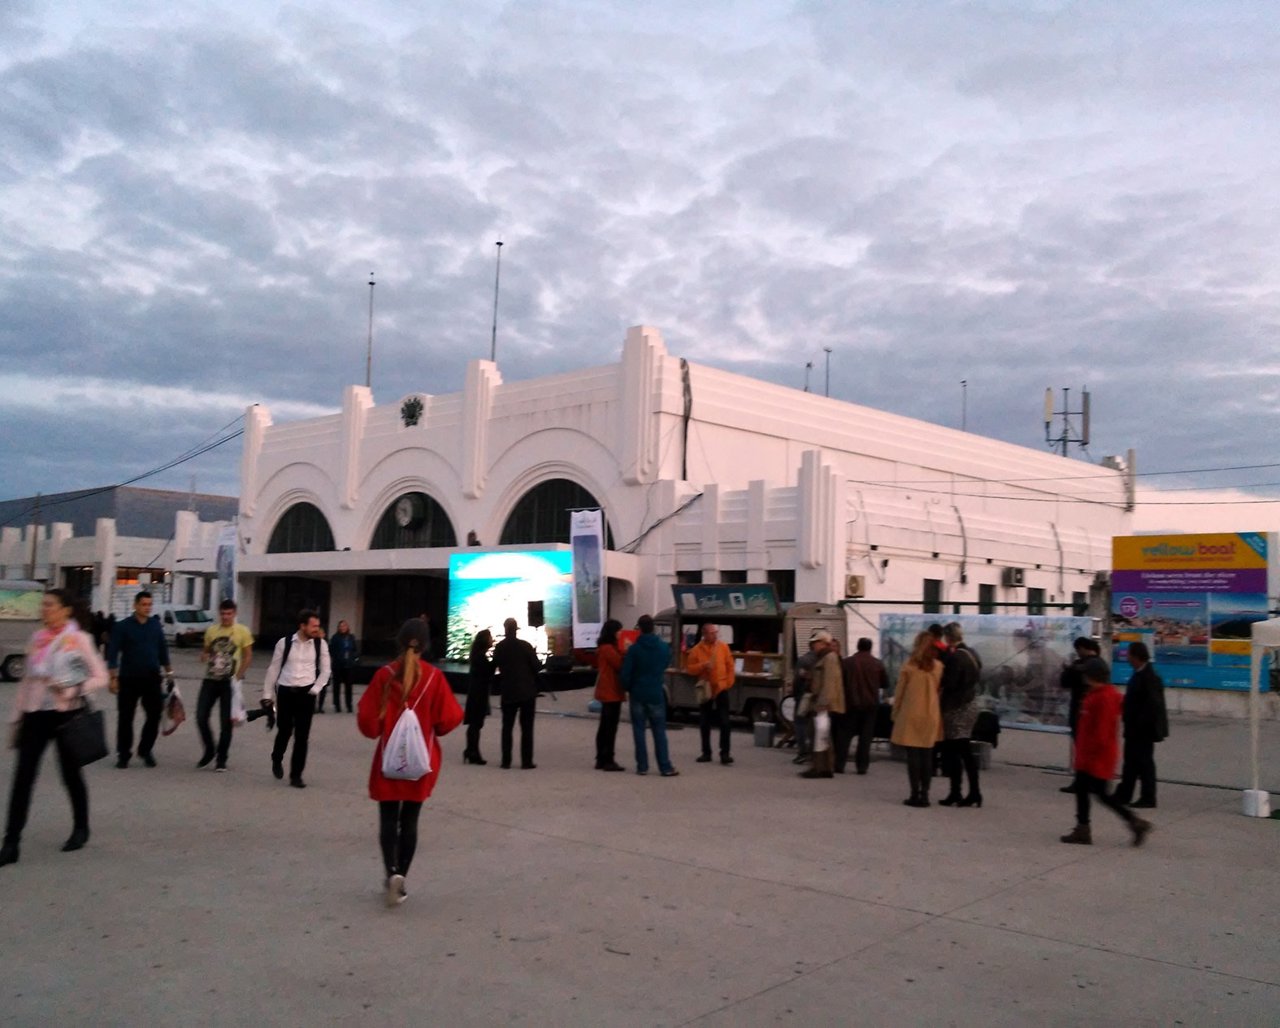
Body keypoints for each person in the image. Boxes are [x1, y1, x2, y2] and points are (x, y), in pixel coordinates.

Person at [357, 618, 462, 907]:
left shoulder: (384, 676)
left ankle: (390, 872)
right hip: (420, 761)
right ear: (427, 645)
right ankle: (402, 874)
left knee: (388, 819)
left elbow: (368, 725)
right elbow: (448, 719)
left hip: (389, 760)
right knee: (410, 821)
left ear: (398, 642)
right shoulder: (434, 678)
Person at [2, 589, 110, 866]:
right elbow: (27, 682)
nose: (44, 609)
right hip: (36, 715)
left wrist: (74, 688)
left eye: (49, 605)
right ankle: (11, 842)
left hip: (66, 716)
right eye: (43, 605)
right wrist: (18, 716)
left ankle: (81, 828)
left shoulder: (79, 640)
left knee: (70, 774)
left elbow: (101, 677)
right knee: (23, 777)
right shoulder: (37, 640)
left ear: (65, 610)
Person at [1060, 657, 1152, 846]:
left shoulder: (1103, 698)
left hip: (1095, 757)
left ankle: (1129, 822)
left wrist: (1090, 757)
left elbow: (1101, 733)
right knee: (1092, 793)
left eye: (1085, 674)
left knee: (1099, 794)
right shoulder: (1097, 694)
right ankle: (1089, 827)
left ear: (1091, 676)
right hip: (1091, 755)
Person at [262, 609, 331, 788]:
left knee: (302, 737)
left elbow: (326, 670)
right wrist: (267, 695)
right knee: (284, 731)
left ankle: (296, 775)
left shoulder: (320, 644)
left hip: (306, 694)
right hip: (285, 692)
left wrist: (315, 690)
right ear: (302, 626)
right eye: (313, 626)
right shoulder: (284, 643)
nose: (317, 629)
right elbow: (273, 669)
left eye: (318, 625)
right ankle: (277, 758)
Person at [106, 590, 172, 769]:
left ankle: (145, 749)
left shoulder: (155, 625)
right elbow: (112, 653)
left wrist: (169, 673)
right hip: (128, 678)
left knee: (154, 715)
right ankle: (123, 754)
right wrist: (113, 677)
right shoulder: (122, 626)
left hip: (152, 678)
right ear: (135, 605)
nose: (147, 608)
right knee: (126, 717)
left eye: (150, 605)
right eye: (144, 604)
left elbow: (162, 650)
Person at [196, 599, 255, 771]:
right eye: (223, 614)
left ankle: (221, 758)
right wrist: (204, 656)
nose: (226, 617)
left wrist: (239, 675)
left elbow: (248, 655)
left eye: (229, 614)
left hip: (229, 681)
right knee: (201, 716)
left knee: (226, 721)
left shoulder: (242, 631)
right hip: (210, 679)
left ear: (234, 614)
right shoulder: (212, 631)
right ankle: (209, 749)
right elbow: (206, 651)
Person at [620, 615, 678, 777]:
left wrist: (628, 687)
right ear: (653, 627)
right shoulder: (663, 647)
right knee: (659, 731)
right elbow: (667, 662)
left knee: (639, 730)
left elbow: (626, 673)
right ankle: (665, 766)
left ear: (640, 628)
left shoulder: (634, 649)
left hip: (638, 693)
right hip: (656, 692)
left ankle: (642, 766)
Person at [891, 630, 944, 807]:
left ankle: (914, 793)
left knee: (913, 755)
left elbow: (900, 693)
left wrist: (895, 712)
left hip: (911, 713)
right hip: (931, 713)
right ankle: (925, 794)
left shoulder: (909, 666)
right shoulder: (938, 666)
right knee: (927, 755)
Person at [1113, 641, 1168, 809]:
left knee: (1144, 763)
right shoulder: (1139, 674)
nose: (1127, 658)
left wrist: (1139, 723)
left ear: (1136, 656)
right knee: (1131, 762)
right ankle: (1124, 794)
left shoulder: (1149, 677)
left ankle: (1148, 797)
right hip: (1134, 729)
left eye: (1129, 654)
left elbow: (1153, 705)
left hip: (1142, 730)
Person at [938, 622, 984, 808]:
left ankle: (958, 792)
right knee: (964, 750)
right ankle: (973, 792)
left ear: (948, 637)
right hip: (970, 703)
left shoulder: (956, 657)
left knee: (956, 750)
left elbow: (950, 684)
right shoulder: (972, 653)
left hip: (957, 706)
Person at [493, 618, 541, 769]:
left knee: (507, 727)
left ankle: (506, 761)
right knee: (527, 728)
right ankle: (526, 761)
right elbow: (537, 666)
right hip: (527, 691)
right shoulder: (525, 645)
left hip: (508, 690)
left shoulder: (500, 647)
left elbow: (495, 665)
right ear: (516, 629)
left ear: (505, 629)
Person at [686, 623, 736, 766]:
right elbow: (689, 669)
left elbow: (730, 666)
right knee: (704, 721)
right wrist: (702, 666)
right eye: (712, 633)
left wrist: (727, 684)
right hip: (706, 688)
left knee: (725, 721)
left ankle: (725, 753)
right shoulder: (696, 650)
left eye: (716, 632)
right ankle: (706, 752)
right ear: (705, 634)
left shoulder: (723, 647)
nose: (715, 635)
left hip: (721, 688)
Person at [839, 637, 888, 775]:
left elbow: (841, 682)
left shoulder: (847, 662)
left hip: (851, 704)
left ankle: (840, 764)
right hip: (870, 705)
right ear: (870, 647)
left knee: (845, 736)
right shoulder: (878, 664)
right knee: (865, 738)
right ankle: (862, 766)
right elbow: (885, 683)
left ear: (857, 646)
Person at [1058, 637, 1101, 793]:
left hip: (1081, 711)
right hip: (1096, 713)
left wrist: (1067, 669)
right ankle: (1094, 781)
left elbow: (1064, 682)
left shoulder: (1079, 665)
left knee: (1082, 749)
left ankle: (1082, 782)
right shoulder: (1100, 664)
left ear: (1081, 648)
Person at [801, 630, 844, 779]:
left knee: (818, 734)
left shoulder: (829, 658)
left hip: (822, 703)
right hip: (821, 702)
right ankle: (825, 767)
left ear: (822, 643)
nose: (813, 646)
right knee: (823, 735)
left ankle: (819, 767)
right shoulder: (825, 657)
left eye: (815, 643)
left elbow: (830, 682)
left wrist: (823, 702)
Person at [592, 620, 626, 771]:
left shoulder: (604, 648)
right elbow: (620, 664)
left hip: (606, 690)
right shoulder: (608, 649)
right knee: (610, 727)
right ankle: (608, 759)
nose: (620, 633)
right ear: (612, 632)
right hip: (611, 691)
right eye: (618, 631)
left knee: (604, 726)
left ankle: (601, 758)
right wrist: (627, 651)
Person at [463, 629, 494, 764]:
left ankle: (471, 750)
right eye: (490, 638)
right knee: (476, 723)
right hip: (479, 694)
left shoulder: (477, 656)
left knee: (474, 724)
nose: (492, 640)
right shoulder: (480, 658)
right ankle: (472, 752)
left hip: (476, 692)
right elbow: (488, 673)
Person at [325, 619, 360, 714]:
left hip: (348, 665)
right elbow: (330, 650)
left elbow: (355, 649)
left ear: (347, 627)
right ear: (338, 628)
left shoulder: (351, 637)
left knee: (349, 686)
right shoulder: (335, 638)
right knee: (336, 686)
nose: (342, 628)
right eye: (341, 626)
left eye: (344, 626)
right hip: (338, 665)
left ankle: (349, 705)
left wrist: (354, 658)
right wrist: (336, 658)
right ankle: (337, 705)